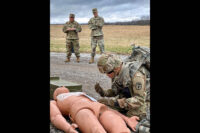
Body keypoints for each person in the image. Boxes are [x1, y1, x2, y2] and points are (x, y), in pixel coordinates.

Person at [50, 86, 140, 133]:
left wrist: (127, 119)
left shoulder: (80, 94)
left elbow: (109, 110)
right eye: (59, 89)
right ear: (55, 96)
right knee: (96, 130)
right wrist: (68, 128)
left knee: (119, 127)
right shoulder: (55, 101)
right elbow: (55, 116)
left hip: (98, 106)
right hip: (80, 109)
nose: (62, 86)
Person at [95, 48, 150, 120]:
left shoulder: (136, 75)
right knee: (106, 108)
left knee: (128, 116)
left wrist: (115, 102)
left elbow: (139, 100)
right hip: (130, 98)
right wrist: (104, 92)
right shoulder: (116, 74)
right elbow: (116, 91)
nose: (107, 75)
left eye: (108, 72)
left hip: (144, 101)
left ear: (116, 68)